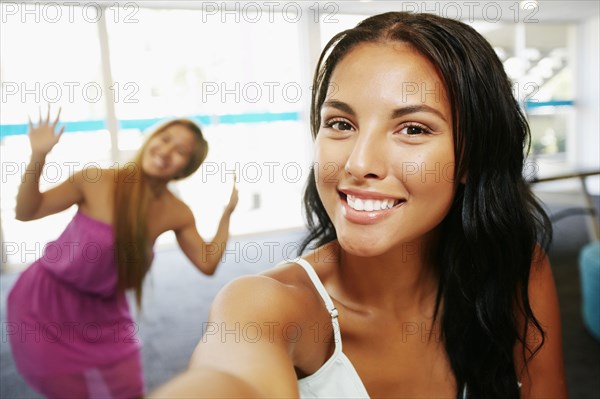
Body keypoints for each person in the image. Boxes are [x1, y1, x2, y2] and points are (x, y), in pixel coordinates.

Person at [151, 12, 567, 399]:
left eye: (413, 128)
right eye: (341, 124)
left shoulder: (519, 272)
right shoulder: (264, 304)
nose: (359, 163)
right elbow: (230, 377)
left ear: (471, 158)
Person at [7, 110, 238, 399]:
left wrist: (227, 215)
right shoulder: (95, 180)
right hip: (48, 304)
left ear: (185, 168)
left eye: (180, 151)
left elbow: (207, 263)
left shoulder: (176, 212)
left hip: (106, 312)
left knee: (129, 391)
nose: (166, 151)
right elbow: (26, 212)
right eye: (164, 139)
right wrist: (38, 155)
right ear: (150, 138)